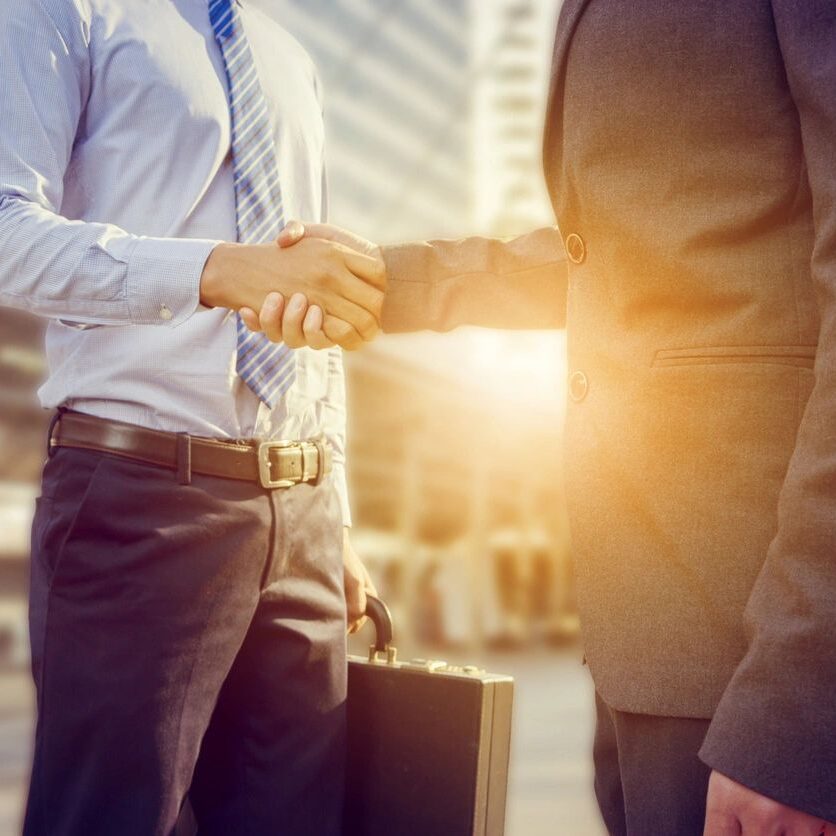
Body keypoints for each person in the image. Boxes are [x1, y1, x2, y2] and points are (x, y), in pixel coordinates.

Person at [251, 2, 836, 833]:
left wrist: (798, 712)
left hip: (760, 657)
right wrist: (383, 283)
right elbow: (608, 253)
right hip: (652, 633)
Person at [0, 1, 383, 833]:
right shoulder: (61, 11)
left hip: (302, 517)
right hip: (138, 502)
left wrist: (336, 519)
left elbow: (314, 308)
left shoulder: (286, 56)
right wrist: (214, 270)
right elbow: (5, 235)